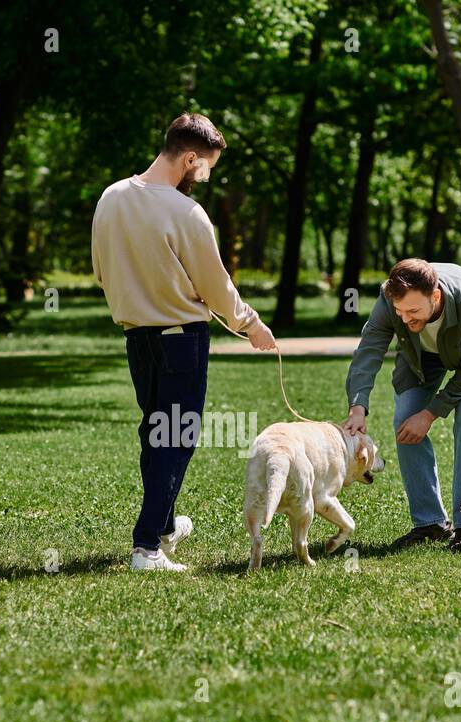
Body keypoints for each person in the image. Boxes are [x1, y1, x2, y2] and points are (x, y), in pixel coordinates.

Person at [92, 112, 276, 571]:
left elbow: (101, 270)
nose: (206, 176)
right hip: (181, 340)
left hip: (137, 339)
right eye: (206, 167)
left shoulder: (111, 197)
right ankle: (147, 545)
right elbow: (215, 286)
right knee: (174, 438)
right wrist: (251, 324)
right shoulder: (187, 212)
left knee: (156, 434)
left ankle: (167, 526)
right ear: (189, 158)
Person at [343, 258, 461, 551]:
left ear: (436, 296)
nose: (405, 320)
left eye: (414, 311)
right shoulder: (390, 297)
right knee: (404, 418)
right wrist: (358, 406)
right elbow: (370, 349)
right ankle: (430, 523)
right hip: (420, 358)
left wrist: (430, 414)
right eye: (400, 312)